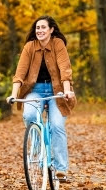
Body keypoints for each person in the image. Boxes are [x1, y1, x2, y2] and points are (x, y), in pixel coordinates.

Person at [6, 15, 76, 181]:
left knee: (57, 125)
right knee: (30, 116)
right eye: (37, 28)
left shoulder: (58, 44)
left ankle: (60, 169)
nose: (40, 31)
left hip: (56, 90)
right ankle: (37, 148)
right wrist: (13, 94)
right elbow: (20, 74)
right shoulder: (30, 46)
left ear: (51, 30)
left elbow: (65, 70)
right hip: (34, 91)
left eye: (43, 27)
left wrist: (67, 90)